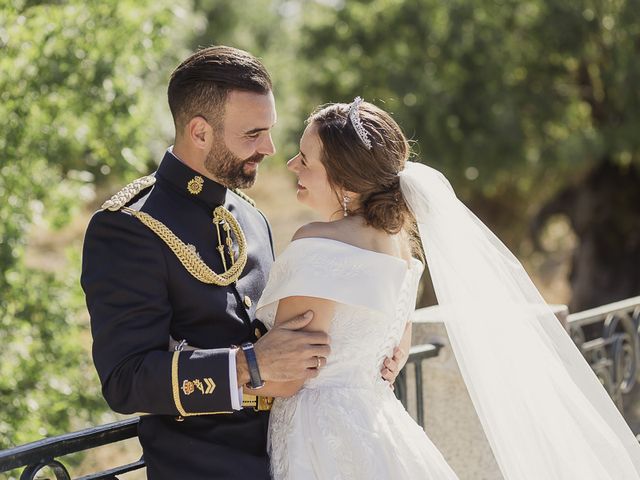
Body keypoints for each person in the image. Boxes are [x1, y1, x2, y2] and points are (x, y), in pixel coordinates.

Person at [251, 98, 640, 479]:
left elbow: (286, 377)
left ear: (345, 179)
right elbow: (393, 349)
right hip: (378, 424)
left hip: (320, 437)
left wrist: (219, 373)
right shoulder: (400, 246)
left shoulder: (320, 244)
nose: (291, 166)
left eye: (305, 158)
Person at [81, 46, 402, 479]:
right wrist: (250, 365)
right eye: (253, 134)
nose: (269, 148)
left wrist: (373, 351)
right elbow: (126, 379)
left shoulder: (251, 215)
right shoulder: (129, 227)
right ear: (199, 132)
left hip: (300, 458)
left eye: (268, 130)